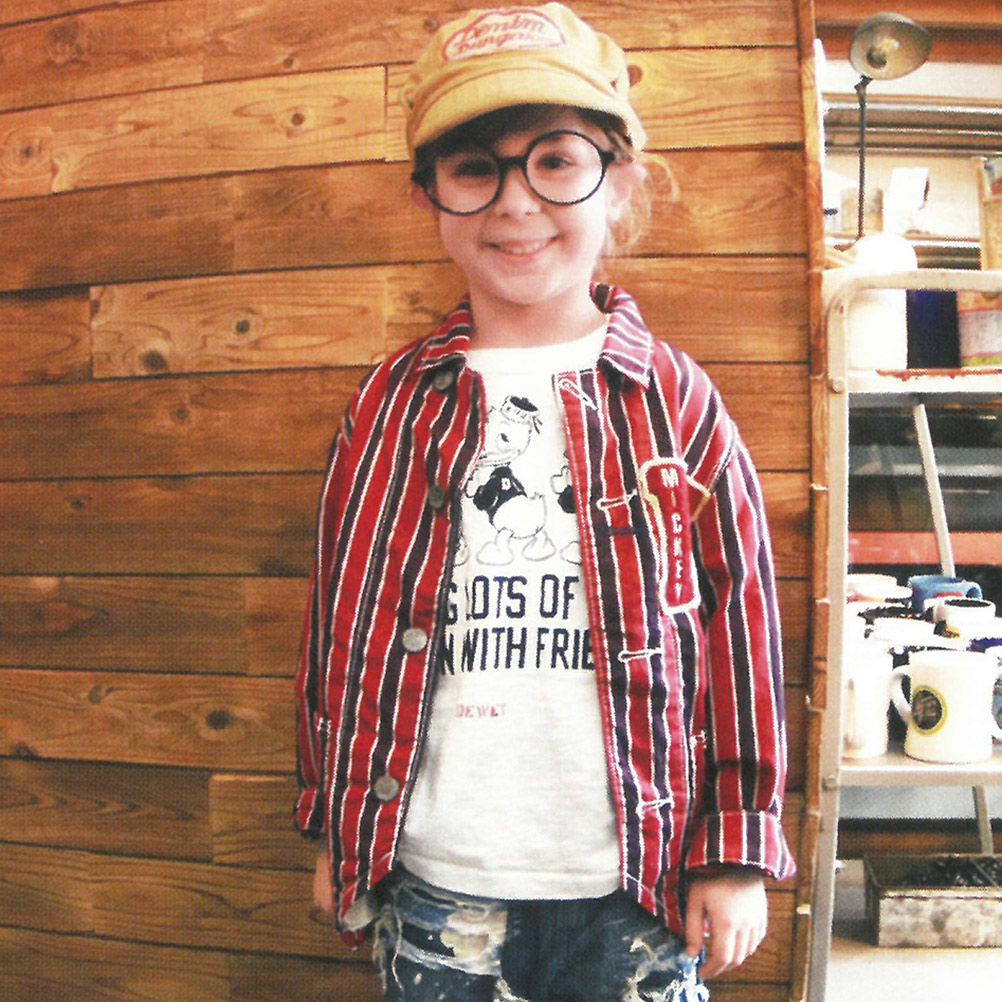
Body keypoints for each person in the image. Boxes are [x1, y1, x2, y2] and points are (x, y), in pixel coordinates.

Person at [294, 4, 796, 1000]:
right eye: (475, 168)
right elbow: (339, 625)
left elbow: (741, 631)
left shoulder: (677, 398)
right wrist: (337, 829)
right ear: (431, 197)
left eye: (556, 161)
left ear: (621, 181)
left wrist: (737, 847)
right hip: (435, 879)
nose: (516, 203)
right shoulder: (388, 404)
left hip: (640, 881)